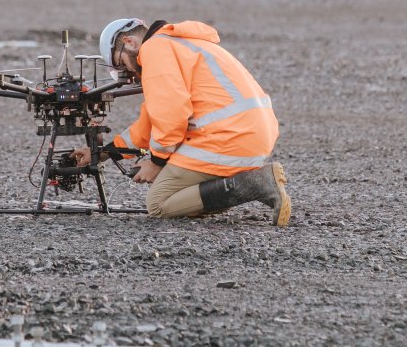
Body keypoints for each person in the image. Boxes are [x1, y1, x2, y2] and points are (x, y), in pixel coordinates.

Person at [73, 18, 291, 225]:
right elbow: (150, 122)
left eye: (121, 63)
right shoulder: (179, 44)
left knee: (158, 204)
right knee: (181, 194)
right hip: (249, 135)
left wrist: (156, 162)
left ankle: (256, 184)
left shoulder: (154, 51)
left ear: (128, 42)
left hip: (228, 140)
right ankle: (244, 184)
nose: (128, 72)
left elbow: (172, 114)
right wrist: (104, 153)